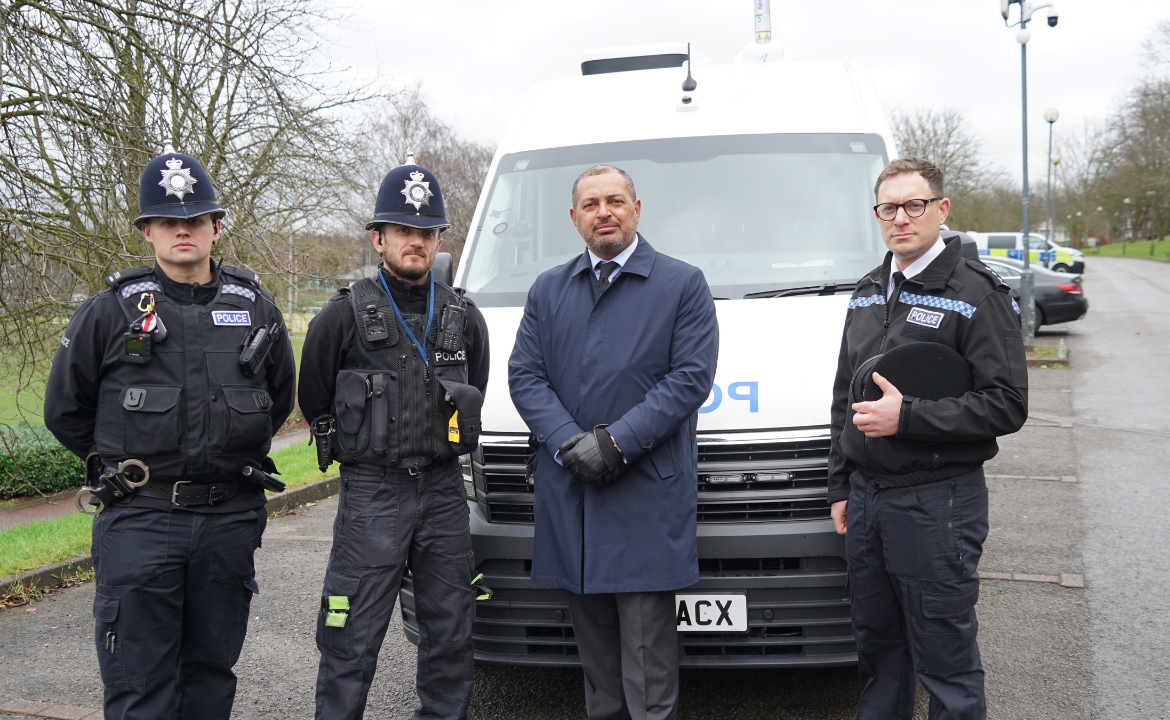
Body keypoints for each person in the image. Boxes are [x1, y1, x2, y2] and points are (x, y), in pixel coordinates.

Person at [44, 145, 295, 720]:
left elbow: (277, 399)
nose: (183, 230)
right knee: (140, 689)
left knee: (210, 681)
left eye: (196, 219)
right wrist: (123, 465)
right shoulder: (110, 311)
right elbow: (65, 409)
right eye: (167, 221)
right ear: (147, 232)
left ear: (216, 227)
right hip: (140, 519)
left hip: (228, 521)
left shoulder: (256, 308)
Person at [507, 165, 718, 720]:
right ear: (574, 217)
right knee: (598, 667)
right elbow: (525, 375)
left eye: (616, 201)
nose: (604, 212)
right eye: (592, 204)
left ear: (636, 209)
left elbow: (690, 379)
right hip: (572, 491)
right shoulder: (548, 289)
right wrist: (566, 441)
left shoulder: (682, 284)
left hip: (643, 494)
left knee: (648, 664)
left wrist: (616, 443)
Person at [828, 157, 1028, 720]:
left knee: (944, 656)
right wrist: (839, 485)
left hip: (937, 501)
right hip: (867, 498)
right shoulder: (868, 290)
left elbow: (1007, 403)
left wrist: (908, 417)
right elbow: (845, 395)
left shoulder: (978, 293)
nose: (901, 219)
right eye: (888, 208)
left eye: (914, 206)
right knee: (879, 649)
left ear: (941, 209)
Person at [300, 156, 490, 720]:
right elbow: (315, 397)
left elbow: (475, 384)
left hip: (442, 492)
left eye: (427, 232)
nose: (416, 241)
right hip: (372, 493)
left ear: (439, 242)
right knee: (350, 636)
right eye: (403, 230)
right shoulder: (342, 316)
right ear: (378, 238)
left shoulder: (463, 317)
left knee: (451, 631)